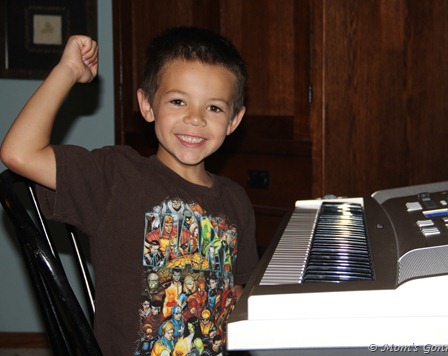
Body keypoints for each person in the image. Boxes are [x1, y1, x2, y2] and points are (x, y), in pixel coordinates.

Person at [0, 27, 259, 355]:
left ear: (234, 121)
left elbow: (238, 292)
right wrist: (66, 72)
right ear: (147, 105)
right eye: (178, 101)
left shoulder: (235, 199)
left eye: (214, 108)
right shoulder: (116, 175)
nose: (195, 119)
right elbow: (18, 153)